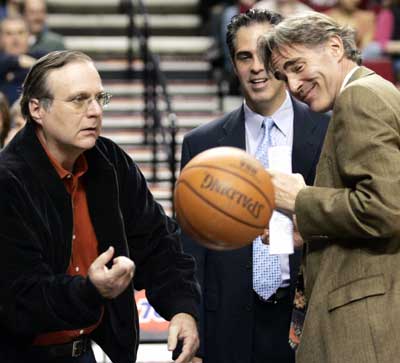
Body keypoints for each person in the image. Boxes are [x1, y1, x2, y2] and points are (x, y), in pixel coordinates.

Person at [0, 50, 200, 363]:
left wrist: (184, 308)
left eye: (99, 97)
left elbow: (159, 243)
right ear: (37, 109)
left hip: (87, 352)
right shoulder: (8, 180)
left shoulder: (110, 161)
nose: (95, 111)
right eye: (79, 99)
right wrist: (91, 291)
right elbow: (21, 298)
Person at [180, 9, 329, 363]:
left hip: (308, 320)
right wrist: (193, 328)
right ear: (234, 65)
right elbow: (191, 250)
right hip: (227, 325)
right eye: (245, 57)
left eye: (264, 53)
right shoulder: (202, 144)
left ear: (282, 56)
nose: (257, 67)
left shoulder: (328, 132)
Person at [261, 12, 400, 363]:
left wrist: (300, 200)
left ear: (334, 47)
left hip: (366, 330)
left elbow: (386, 208)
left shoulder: (359, 98)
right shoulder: (374, 91)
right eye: (283, 76)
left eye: (296, 66)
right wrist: (308, 229)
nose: (292, 86)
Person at [0, 15, 45, 104]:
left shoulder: (41, 57)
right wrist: (17, 60)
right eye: (9, 34)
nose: (15, 38)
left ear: (29, 36)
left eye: (20, 33)